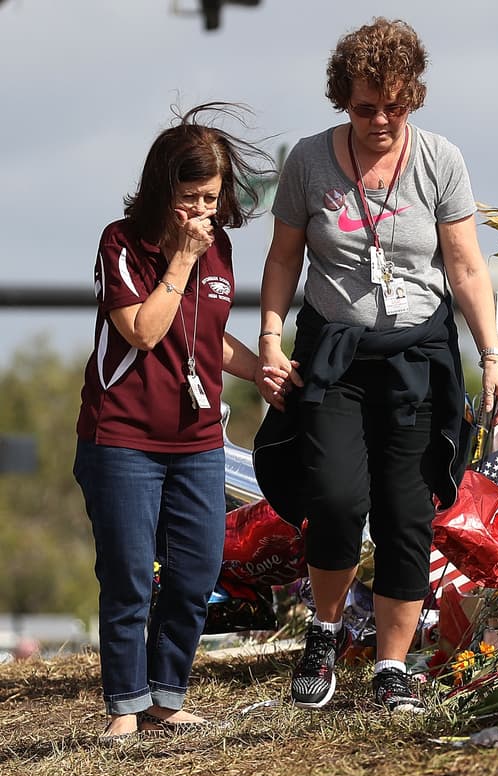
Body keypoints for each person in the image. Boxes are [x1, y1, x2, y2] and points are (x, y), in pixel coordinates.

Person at [254, 18, 498, 713]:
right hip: (333, 357)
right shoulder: (309, 162)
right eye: (366, 107)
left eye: (394, 106)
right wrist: (272, 341)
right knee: (336, 498)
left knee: (407, 513)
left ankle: (393, 667)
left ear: (414, 98)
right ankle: (325, 629)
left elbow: (465, 266)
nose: (380, 120)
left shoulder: (439, 161)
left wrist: (491, 358)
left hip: (416, 359)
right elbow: (283, 259)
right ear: (344, 99)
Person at [74, 104, 274, 741]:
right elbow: (143, 329)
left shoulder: (221, 248)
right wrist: (182, 259)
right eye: (191, 197)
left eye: (212, 199)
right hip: (122, 437)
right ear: (165, 188)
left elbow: (206, 337)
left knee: (196, 570)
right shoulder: (121, 242)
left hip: (198, 439)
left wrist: (264, 369)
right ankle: (124, 707)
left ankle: (168, 695)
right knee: (130, 575)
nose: (202, 213)